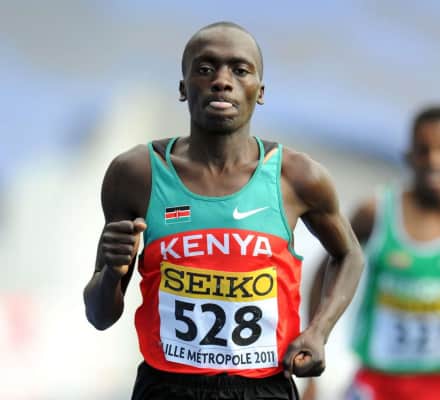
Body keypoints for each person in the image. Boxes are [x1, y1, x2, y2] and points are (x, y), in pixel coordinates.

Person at [83, 21, 363, 400]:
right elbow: (100, 316)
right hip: (166, 388)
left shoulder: (297, 177)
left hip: (264, 388)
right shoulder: (135, 174)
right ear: (183, 88)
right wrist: (111, 274)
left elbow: (349, 254)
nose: (221, 81)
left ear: (260, 92)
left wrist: (318, 332)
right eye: (205, 68)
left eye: (240, 70)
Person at [304, 106, 440, 400]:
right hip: (374, 384)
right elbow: (325, 273)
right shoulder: (376, 212)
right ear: (409, 156)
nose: (433, 160)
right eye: (423, 151)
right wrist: (312, 357)